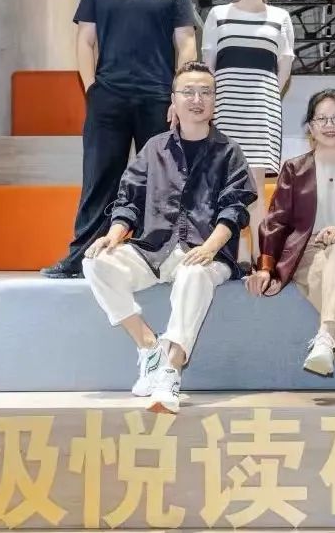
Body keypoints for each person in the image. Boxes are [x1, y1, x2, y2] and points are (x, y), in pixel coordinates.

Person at [82, 62, 257, 414]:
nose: (197, 99)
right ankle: (149, 348)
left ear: (215, 101)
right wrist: (114, 236)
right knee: (96, 262)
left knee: (194, 273)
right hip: (155, 250)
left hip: (207, 253)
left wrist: (210, 247)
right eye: (188, 92)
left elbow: (235, 210)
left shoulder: (229, 151)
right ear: (173, 101)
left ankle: (171, 370)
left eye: (205, 92)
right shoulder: (153, 148)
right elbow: (128, 201)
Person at [43, 0, 198, 278]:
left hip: (158, 100)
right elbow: (85, 40)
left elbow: (187, 43)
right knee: (99, 177)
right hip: (108, 98)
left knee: (160, 180)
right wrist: (91, 88)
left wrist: (178, 97)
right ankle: (81, 258)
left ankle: (156, 256)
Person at [246, 90, 335, 401]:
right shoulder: (294, 168)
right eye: (321, 118)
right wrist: (266, 267)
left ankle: (326, 336)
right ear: (310, 126)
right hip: (306, 251)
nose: (329, 125)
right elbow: (277, 219)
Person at [203, 0, 295, 265]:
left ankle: (260, 257)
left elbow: (284, 68)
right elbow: (208, 67)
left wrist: (265, 94)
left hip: (261, 112)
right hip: (226, 110)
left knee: (255, 187)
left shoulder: (280, 18)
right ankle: (231, 255)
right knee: (225, 184)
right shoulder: (218, 15)